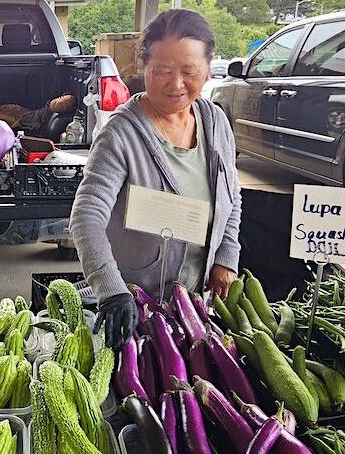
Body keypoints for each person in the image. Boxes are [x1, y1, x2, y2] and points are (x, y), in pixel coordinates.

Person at [69, 9, 242, 348]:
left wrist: (226, 255)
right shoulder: (121, 134)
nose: (176, 84)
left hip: (195, 305)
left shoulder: (216, 122)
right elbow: (86, 217)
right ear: (143, 66)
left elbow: (231, 197)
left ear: (208, 68)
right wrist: (110, 289)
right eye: (162, 70)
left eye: (189, 71)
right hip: (134, 305)